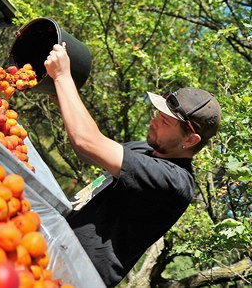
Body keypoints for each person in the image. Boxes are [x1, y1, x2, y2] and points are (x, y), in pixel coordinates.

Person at [44, 43, 222, 287]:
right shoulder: (145, 149)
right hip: (51, 249)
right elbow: (94, 146)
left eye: (165, 122)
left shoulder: (174, 182)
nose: (154, 122)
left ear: (190, 140)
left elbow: (87, 141)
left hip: (74, 277)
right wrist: (63, 95)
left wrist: (64, 77)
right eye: (158, 114)